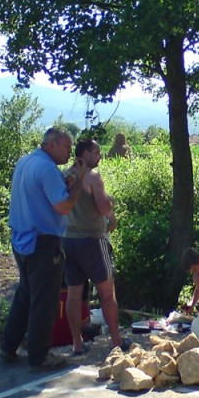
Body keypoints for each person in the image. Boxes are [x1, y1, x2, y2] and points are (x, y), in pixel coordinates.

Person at [0, 128, 86, 372]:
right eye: (67, 147)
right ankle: (39, 356)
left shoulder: (26, 162)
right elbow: (64, 206)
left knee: (25, 294)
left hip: (21, 238)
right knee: (45, 300)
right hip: (43, 241)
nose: (70, 153)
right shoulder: (47, 168)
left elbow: (44, 193)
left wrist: (65, 180)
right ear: (54, 144)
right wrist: (77, 183)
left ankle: (8, 346)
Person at [63, 138, 129, 354]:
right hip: (92, 239)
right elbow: (103, 207)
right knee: (107, 294)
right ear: (87, 153)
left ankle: (77, 343)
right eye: (97, 152)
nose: (100, 156)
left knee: (74, 294)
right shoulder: (92, 176)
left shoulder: (65, 175)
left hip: (68, 240)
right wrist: (110, 201)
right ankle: (117, 341)